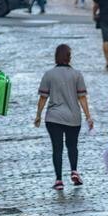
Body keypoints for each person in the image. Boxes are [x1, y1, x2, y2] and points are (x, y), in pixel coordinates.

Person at [35, 44, 93, 190]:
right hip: (73, 117)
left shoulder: (49, 74)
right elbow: (82, 97)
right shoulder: (77, 74)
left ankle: (59, 180)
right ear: (69, 57)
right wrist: (88, 116)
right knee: (72, 145)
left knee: (57, 148)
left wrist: (38, 115)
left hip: (53, 117)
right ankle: (74, 170)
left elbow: (43, 97)